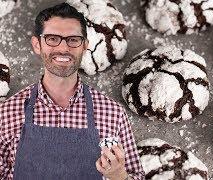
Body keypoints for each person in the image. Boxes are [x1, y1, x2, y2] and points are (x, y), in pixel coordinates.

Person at [0, 3, 145, 180]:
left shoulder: (112, 113)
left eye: (73, 39)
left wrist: (119, 176)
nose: (63, 48)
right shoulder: (6, 113)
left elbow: (136, 176)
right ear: (37, 45)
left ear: (85, 46)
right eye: (52, 39)